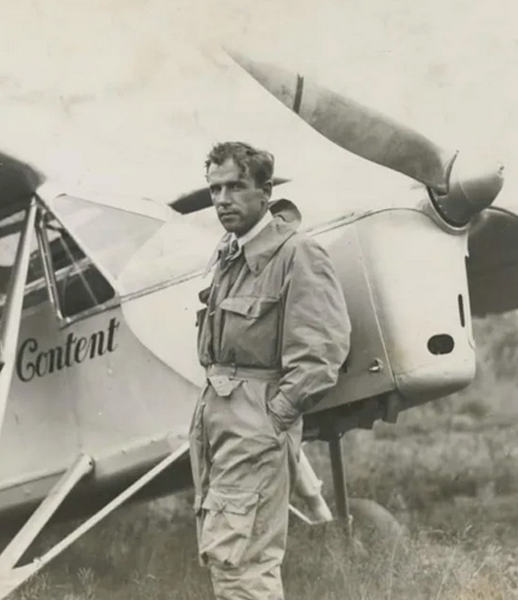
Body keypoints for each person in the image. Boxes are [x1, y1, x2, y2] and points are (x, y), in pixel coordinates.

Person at [189, 141, 351, 599]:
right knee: (226, 555)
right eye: (215, 189)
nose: (223, 200)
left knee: (242, 562)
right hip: (218, 423)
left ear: (265, 192)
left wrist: (271, 419)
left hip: (254, 425)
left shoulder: (296, 254)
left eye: (236, 187)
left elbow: (321, 354)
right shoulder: (230, 256)